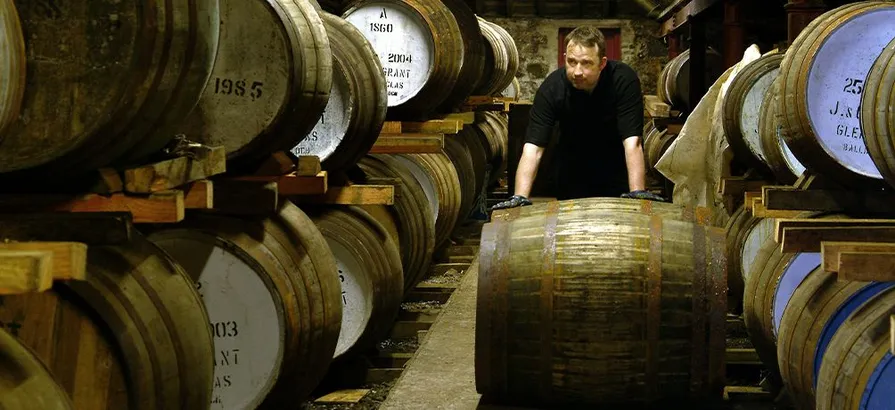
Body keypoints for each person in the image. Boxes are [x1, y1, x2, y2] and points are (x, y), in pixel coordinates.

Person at [492, 26, 664, 210]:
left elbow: (632, 143)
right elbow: (533, 149)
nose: (577, 71)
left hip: (615, 173)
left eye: (586, 63)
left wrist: (637, 192)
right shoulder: (552, 88)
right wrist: (519, 196)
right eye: (571, 62)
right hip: (571, 175)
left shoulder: (623, 81)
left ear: (602, 63)